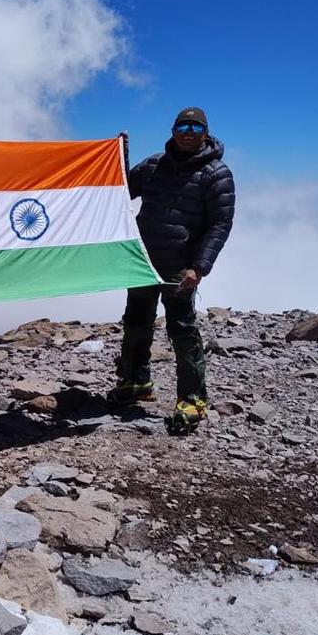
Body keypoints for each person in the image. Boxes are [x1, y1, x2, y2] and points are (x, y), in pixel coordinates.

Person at [108, 107, 235, 434]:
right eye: (183, 125)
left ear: (205, 133)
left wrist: (199, 267)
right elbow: (119, 191)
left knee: (181, 330)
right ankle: (135, 382)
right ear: (174, 129)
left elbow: (220, 225)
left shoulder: (217, 174)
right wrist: (117, 157)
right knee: (136, 322)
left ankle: (193, 398)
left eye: (195, 126)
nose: (188, 131)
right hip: (142, 261)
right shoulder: (153, 166)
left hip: (181, 268)